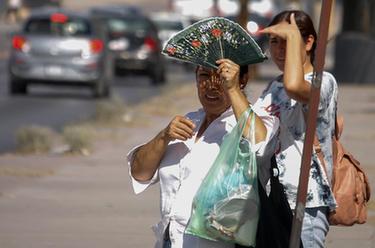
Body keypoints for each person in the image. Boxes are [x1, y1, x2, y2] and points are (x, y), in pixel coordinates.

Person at [127, 59, 275, 248]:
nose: (212, 86)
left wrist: (232, 88)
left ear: (243, 79)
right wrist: (163, 137)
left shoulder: (257, 121)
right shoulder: (189, 122)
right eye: (204, 75)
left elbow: (261, 144)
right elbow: (139, 173)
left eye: (221, 77)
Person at [253, 10, 338, 248]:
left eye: (287, 41)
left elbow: (295, 86)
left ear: (309, 42)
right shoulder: (273, 86)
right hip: (272, 199)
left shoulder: (323, 81)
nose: (280, 50)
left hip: (306, 202)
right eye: (274, 42)